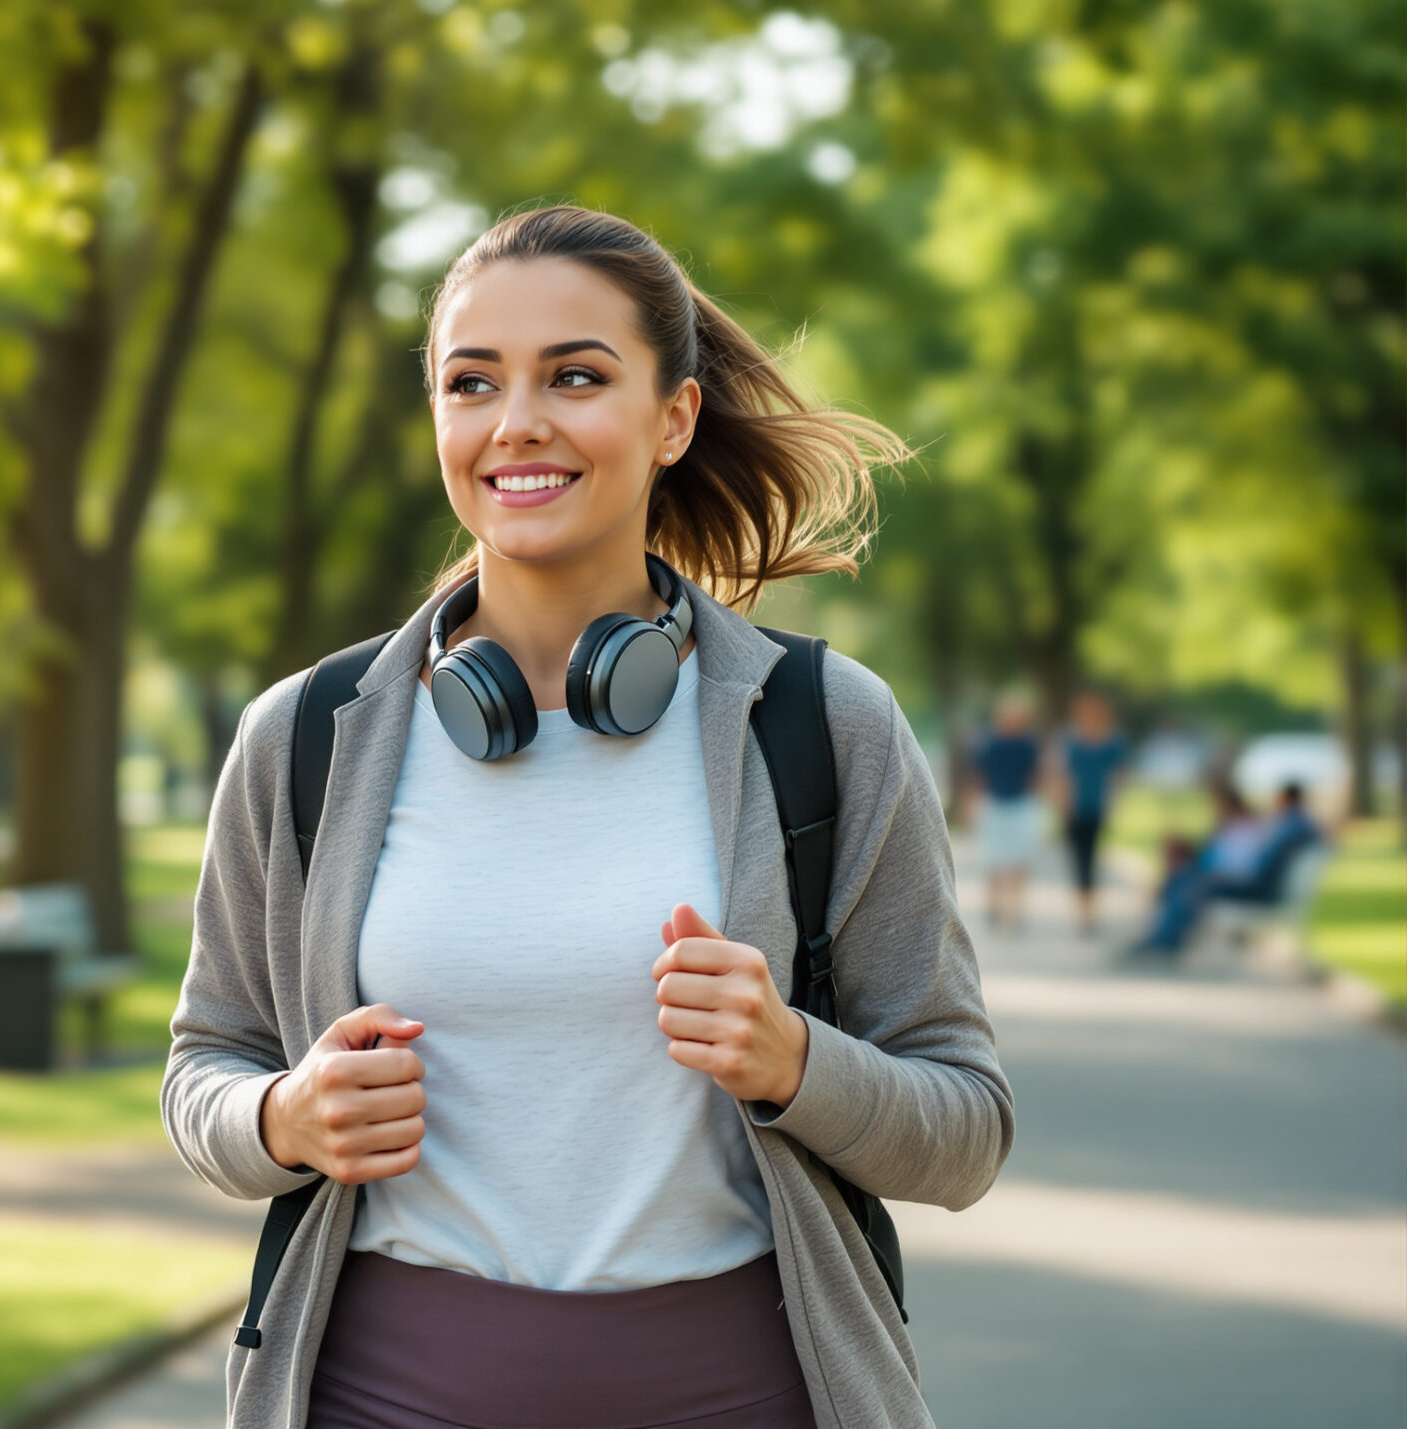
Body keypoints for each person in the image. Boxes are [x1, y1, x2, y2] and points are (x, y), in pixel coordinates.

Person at [163, 206, 1012, 1429]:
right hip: (378, 1392)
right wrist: (280, 1117)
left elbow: (966, 1131)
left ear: (674, 417)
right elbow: (205, 1068)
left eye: (575, 375)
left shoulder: (823, 724)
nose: (517, 421)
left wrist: (793, 1063)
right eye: (471, 382)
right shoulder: (304, 735)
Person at [1136, 780, 1321, 957]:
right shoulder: (1292, 824)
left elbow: (1263, 864)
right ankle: (1163, 937)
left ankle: (1166, 941)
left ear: (1284, 798)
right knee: (1187, 878)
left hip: (1258, 887)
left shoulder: (1289, 826)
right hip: (1258, 882)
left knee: (1197, 882)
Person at [1056, 690, 1130, 933]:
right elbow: (1064, 775)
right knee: (1080, 861)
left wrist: (1114, 803)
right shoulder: (1072, 741)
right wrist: (1064, 804)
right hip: (1075, 809)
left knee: (1092, 860)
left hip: (1096, 807)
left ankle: (1091, 911)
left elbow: (1117, 776)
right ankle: (1083, 912)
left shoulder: (1111, 742)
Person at [969, 694, 1044, 929]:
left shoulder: (1029, 745)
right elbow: (978, 776)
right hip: (995, 803)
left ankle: (1015, 909)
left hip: (1021, 804)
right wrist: (973, 803)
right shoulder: (989, 744)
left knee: (1019, 859)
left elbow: (1037, 775)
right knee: (994, 859)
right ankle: (994, 905)